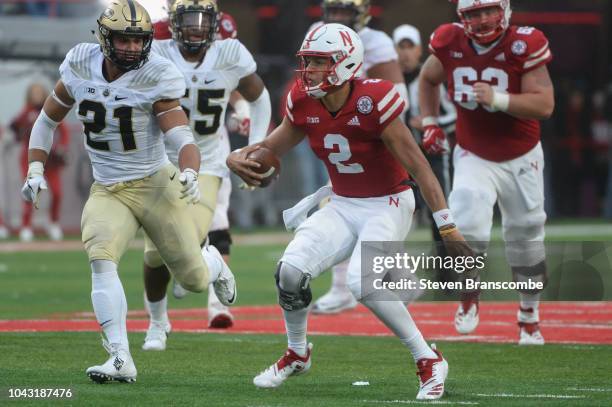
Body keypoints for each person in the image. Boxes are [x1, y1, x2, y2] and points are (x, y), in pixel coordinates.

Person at [228, 23, 473, 400]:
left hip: (388, 202)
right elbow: (269, 150)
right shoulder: (304, 100)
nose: (309, 71)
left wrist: (447, 226)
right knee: (290, 272)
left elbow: (421, 168)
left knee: (363, 282)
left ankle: (429, 358)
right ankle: (297, 352)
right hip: (342, 202)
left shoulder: (373, 99)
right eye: (307, 62)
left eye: (320, 63)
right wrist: (239, 157)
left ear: (345, 64)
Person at [20, 0, 236, 383]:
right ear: (105, 37)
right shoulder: (79, 64)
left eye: (139, 41)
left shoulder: (157, 74)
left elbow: (181, 135)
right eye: (125, 40)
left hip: (155, 185)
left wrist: (188, 169)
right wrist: (36, 167)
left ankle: (214, 261)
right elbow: (46, 120)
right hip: (109, 189)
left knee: (193, 280)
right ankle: (120, 357)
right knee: (100, 258)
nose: (133, 49)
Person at [419, 0, 554, 344]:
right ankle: (469, 298)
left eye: (487, 11)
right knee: (466, 216)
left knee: (525, 235)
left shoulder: (524, 42)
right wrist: (431, 122)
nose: (481, 20)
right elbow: (427, 78)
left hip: (521, 156)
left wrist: (499, 98)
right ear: (461, 17)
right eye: (473, 14)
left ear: (504, 10)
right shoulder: (450, 41)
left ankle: (528, 316)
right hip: (474, 153)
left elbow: (544, 104)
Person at [141, 0, 270, 351]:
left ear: (215, 22)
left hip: (209, 161)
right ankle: (157, 322)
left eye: (203, 20)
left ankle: (207, 268)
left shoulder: (228, 49)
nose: (196, 27)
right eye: (189, 20)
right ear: (173, 19)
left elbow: (258, 95)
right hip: (159, 161)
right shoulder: (154, 47)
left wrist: (255, 146)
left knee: (189, 239)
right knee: (153, 255)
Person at [310, 0, 410, 315]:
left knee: (368, 207)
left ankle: (356, 285)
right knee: (342, 207)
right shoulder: (316, 32)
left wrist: (369, 120)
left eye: (345, 12)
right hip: (336, 130)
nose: (338, 17)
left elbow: (398, 94)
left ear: (362, 13)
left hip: (371, 134)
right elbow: (309, 85)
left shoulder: (376, 42)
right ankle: (392, 279)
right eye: (334, 11)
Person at [11, 83, 70, 242]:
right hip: (30, 159)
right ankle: (26, 225)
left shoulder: (50, 108)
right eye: (34, 92)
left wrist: (62, 148)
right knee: (30, 191)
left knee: (57, 192)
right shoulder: (27, 112)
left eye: (39, 92)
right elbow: (15, 126)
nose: (37, 95)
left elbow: (64, 131)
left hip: (50, 160)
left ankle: (53, 223)